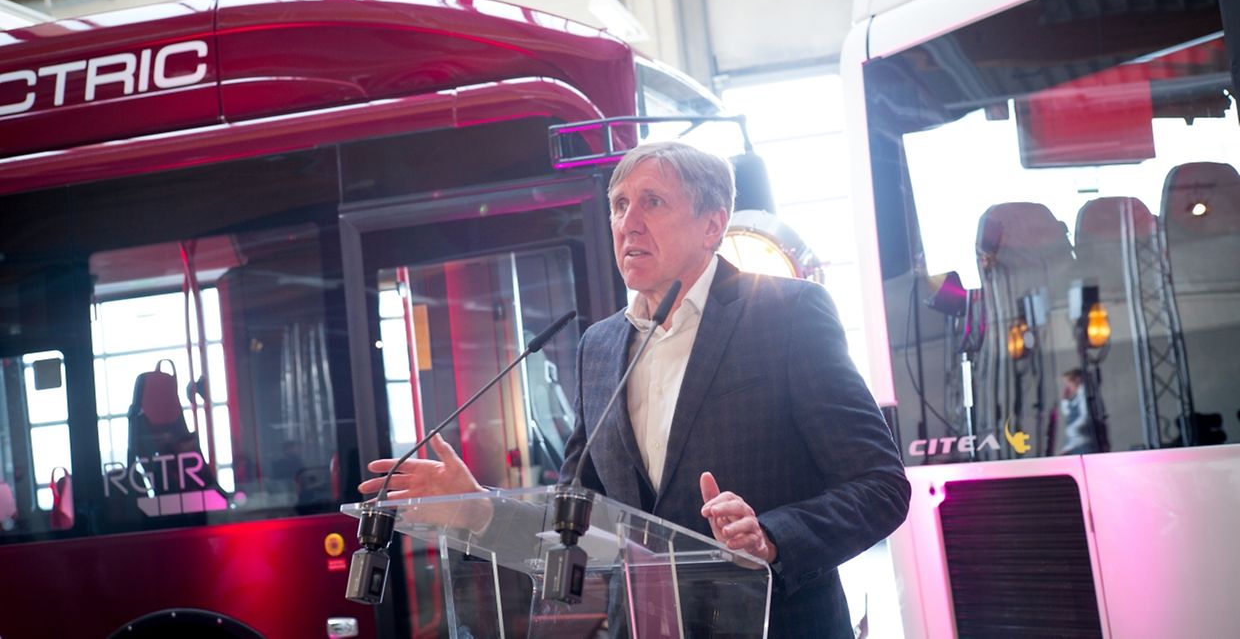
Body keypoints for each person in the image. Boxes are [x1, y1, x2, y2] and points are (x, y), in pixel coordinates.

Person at [361, 141, 911, 638]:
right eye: (620, 205)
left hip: (778, 624)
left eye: (653, 202)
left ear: (712, 225)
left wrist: (770, 537)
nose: (629, 223)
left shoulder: (787, 315)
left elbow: (880, 485)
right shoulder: (599, 347)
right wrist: (479, 510)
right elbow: (576, 516)